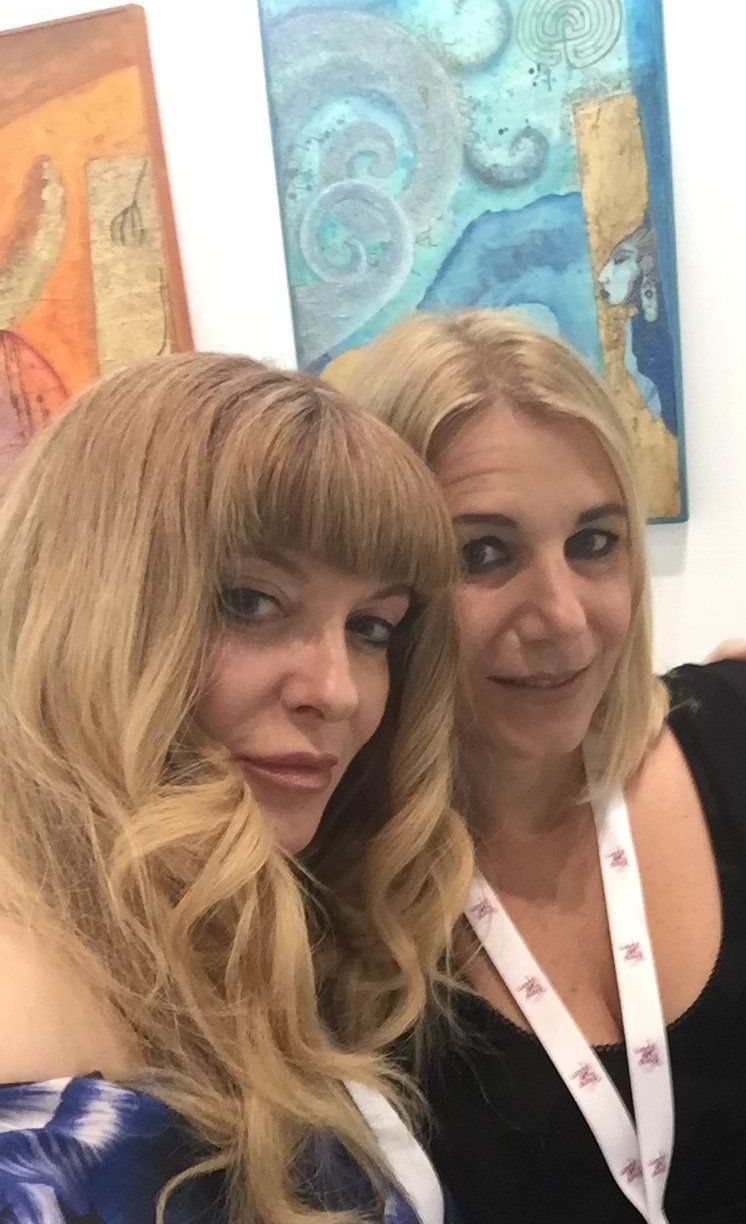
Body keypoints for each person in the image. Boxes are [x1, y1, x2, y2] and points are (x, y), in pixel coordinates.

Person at [338, 309, 746, 1224]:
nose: (563, 617)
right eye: (483, 553)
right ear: (378, 582)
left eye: (594, 541)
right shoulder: (328, 899)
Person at [0, 353, 470, 1224]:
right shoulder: (31, 1098)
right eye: (251, 602)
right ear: (86, 606)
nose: (337, 691)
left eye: (372, 627)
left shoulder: (245, 931)